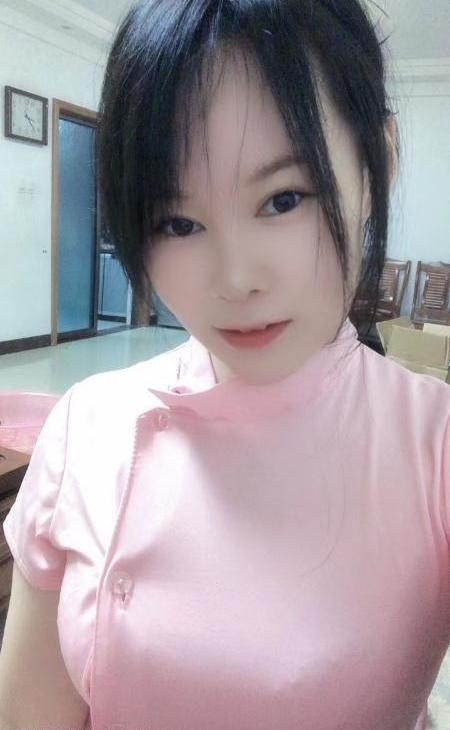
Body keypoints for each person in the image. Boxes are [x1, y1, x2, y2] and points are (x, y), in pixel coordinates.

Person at [0, 1, 449, 729]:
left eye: (282, 199)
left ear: (378, 166)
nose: (235, 279)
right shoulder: (86, 423)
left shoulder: (432, 446)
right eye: (179, 222)